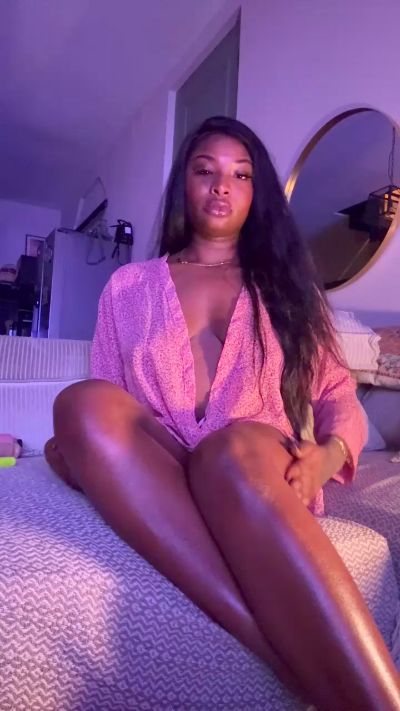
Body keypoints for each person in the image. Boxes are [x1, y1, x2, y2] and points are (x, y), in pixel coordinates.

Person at [45, 116, 400, 710]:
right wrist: (82, 448)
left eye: (240, 175)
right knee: (78, 402)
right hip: (166, 462)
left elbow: (338, 389)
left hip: (251, 461)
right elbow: (111, 398)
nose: (221, 186)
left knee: (228, 450)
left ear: (257, 192)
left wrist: (328, 454)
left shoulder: (289, 287)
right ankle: (279, 653)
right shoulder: (128, 287)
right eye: (205, 170)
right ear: (184, 184)